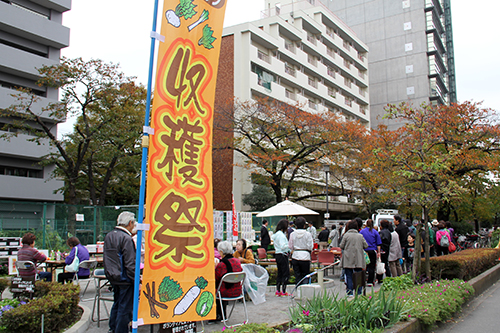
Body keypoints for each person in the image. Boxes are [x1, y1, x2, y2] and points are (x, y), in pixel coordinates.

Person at [103, 211, 136, 333]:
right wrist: (135, 279)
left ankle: (113, 327)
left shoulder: (109, 235)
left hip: (113, 276)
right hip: (125, 278)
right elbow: (130, 262)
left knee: (117, 303)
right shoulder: (126, 238)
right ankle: (120, 330)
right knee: (125, 307)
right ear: (130, 223)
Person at [214, 241, 243, 322]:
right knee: (220, 288)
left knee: (215, 288)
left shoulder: (221, 265)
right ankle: (222, 315)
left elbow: (215, 278)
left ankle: (217, 315)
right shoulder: (237, 262)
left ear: (221, 252)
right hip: (237, 291)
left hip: (225, 292)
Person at [340, 220, 368, 296]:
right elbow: (366, 245)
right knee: (358, 274)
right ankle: (359, 291)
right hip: (358, 258)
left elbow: (341, 246)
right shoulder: (360, 236)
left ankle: (350, 292)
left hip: (348, 257)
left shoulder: (346, 235)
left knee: (349, 275)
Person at [289, 217, 313, 286]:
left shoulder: (292, 234)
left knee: (297, 275)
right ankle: (305, 291)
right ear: (304, 225)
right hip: (305, 256)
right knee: (306, 275)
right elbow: (310, 246)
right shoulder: (308, 234)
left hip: (295, 256)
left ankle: (298, 290)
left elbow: (290, 246)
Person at [359, 219, 381, 286]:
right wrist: (379, 252)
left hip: (364, 251)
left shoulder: (362, 231)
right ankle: (370, 281)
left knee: (363, 266)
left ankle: (362, 280)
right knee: (372, 266)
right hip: (372, 250)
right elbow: (378, 244)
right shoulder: (375, 232)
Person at [272, 219, 290, 296]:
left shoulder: (276, 235)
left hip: (277, 254)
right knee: (285, 273)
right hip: (283, 254)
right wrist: (289, 247)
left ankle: (278, 290)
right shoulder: (282, 236)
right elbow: (283, 246)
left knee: (279, 273)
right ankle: (283, 291)